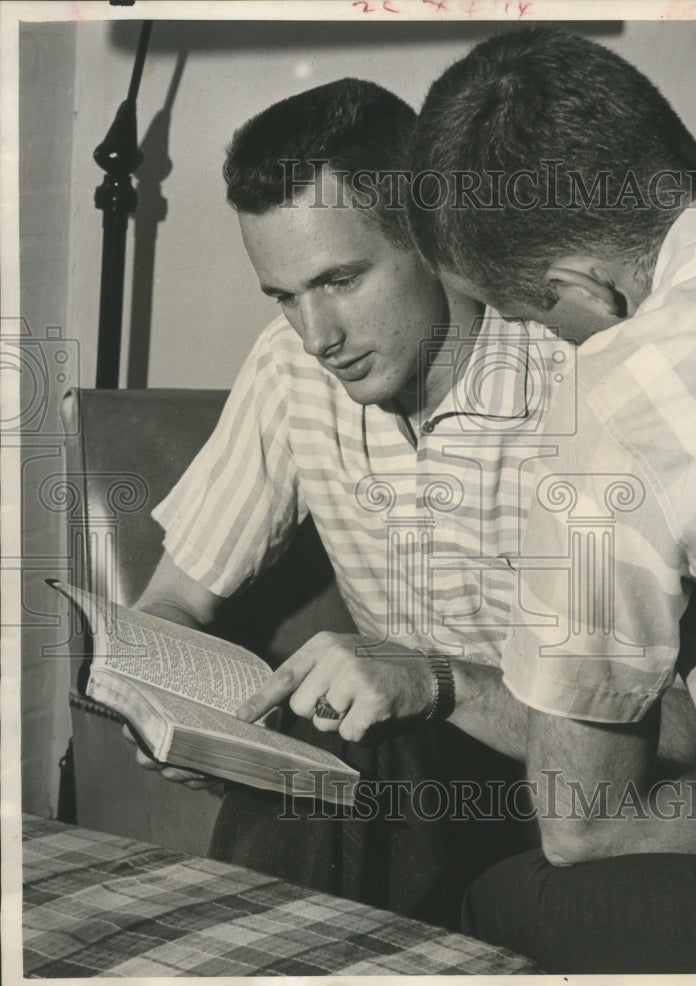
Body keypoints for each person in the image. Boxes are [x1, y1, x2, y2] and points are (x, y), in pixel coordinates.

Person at [130, 76, 553, 929]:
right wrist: (167, 699)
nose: (317, 336)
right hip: (394, 785)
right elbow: (174, 599)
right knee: (336, 740)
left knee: (369, 741)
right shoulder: (290, 370)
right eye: (284, 297)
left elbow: (665, 728)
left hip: (561, 778)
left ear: (434, 235)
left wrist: (433, 685)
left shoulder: (566, 375)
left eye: (341, 279)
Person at [407, 26, 696, 971]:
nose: (553, 344)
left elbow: (584, 823)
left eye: (536, 321)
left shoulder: (619, 383)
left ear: (585, 288)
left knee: (508, 895)